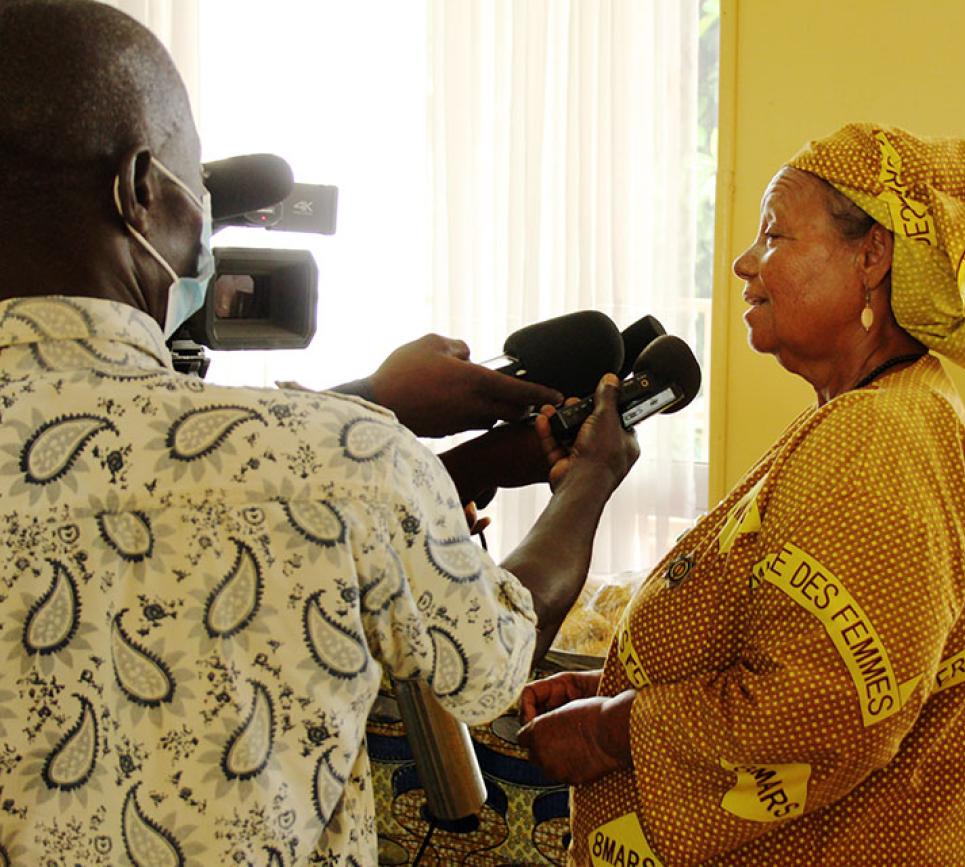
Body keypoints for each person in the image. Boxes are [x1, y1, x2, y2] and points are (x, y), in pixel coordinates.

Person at [0, 1, 638, 863]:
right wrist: (590, 476)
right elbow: (492, 657)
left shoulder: (349, 463)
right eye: (199, 189)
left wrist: (391, 420)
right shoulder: (349, 465)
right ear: (140, 190)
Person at [518, 122, 965, 865]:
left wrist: (612, 730)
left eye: (774, 235)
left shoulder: (880, 437)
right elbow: (797, 648)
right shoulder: (877, 414)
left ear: (872, 256)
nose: (744, 262)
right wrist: (617, 684)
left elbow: (817, 709)